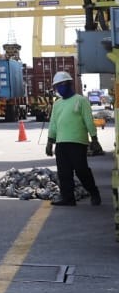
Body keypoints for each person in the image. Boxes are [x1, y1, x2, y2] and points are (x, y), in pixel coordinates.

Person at [46, 71, 102, 207]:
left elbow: (88, 120)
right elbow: (53, 123)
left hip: (78, 142)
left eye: (60, 85)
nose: (59, 89)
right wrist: (50, 141)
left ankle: (94, 193)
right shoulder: (57, 104)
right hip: (61, 143)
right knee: (64, 173)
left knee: (81, 170)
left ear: (69, 84)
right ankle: (68, 198)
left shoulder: (81, 100)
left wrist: (94, 139)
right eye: (57, 87)